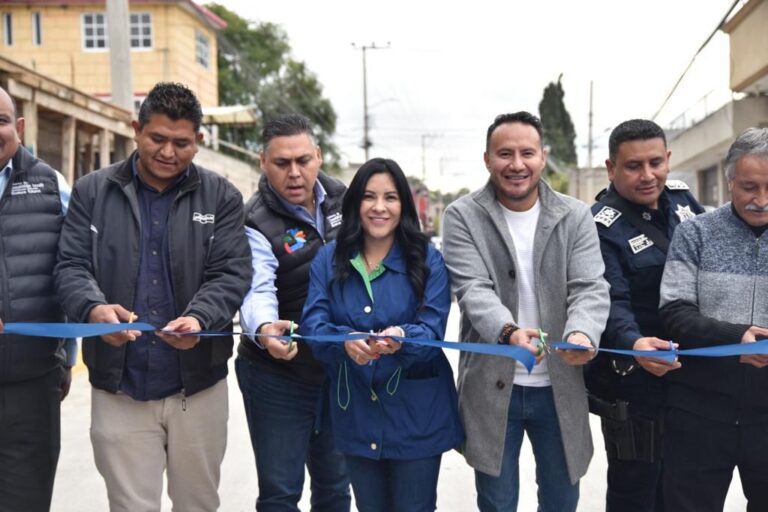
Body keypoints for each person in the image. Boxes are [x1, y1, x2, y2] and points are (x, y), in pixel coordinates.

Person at [54, 82, 252, 512]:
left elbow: (231, 273)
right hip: (118, 387)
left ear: (198, 141)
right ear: (136, 130)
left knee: (197, 504)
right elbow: (70, 266)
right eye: (157, 138)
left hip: (196, 386)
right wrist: (93, 308)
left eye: (182, 143)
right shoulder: (92, 191)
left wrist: (200, 318)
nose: (168, 152)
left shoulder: (221, 197)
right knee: (130, 507)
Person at [442, 111, 610, 512]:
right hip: (492, 385)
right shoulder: (462, 215)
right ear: (487, 159)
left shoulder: (574, 215)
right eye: (504, 153)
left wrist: (583, 333)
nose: (516, 164)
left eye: (526, 153)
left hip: (559, 387)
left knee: (561, 499)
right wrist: (508, 332)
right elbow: (472, 288)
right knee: (497, 503)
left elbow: (590, 286)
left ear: (542, 157)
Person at [301, 158, 463, 512]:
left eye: (390, 197)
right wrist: (344, 340)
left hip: (417, 414)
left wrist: (403, 336)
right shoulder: (328, 259)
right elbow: (313, 326)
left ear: (403, 204)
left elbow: (433, 328)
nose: (379, 207)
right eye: (369, 197)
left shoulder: (427, 260)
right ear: (354, 203)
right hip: (355, 411)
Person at [584, 119, 704, 512]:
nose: (647, 175)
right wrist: (634, 343)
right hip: (633, 383)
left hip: (692, 378)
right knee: (635, 491)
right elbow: (607, 299)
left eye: (656, 162)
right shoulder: (599, 225)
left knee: (686, 488)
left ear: (668, 159)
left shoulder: (684, 203)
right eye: (633, 166)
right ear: (611, 168)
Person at [237, 113, 351, 511]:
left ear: (318, 156)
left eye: (303, 160)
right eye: (282, 163)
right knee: (281, 494)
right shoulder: (253, 220)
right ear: (262, 163)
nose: (295, 173)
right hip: (276, 375)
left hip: (339, 372)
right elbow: (257, 288)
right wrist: (266, 329)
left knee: (336, 488)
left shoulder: (345, 200)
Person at [659, 127, 768, 512]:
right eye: (749, 187)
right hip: (699, 410)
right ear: (729, 182)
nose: (762, 200)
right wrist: (736, 337)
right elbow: (674, 312)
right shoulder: (695, 233)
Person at [0, 85, 76, 512]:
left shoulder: (51, 186)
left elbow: (75, 270)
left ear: (20, 127)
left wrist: (68, 353)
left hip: (32, 385)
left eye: (1, 121)